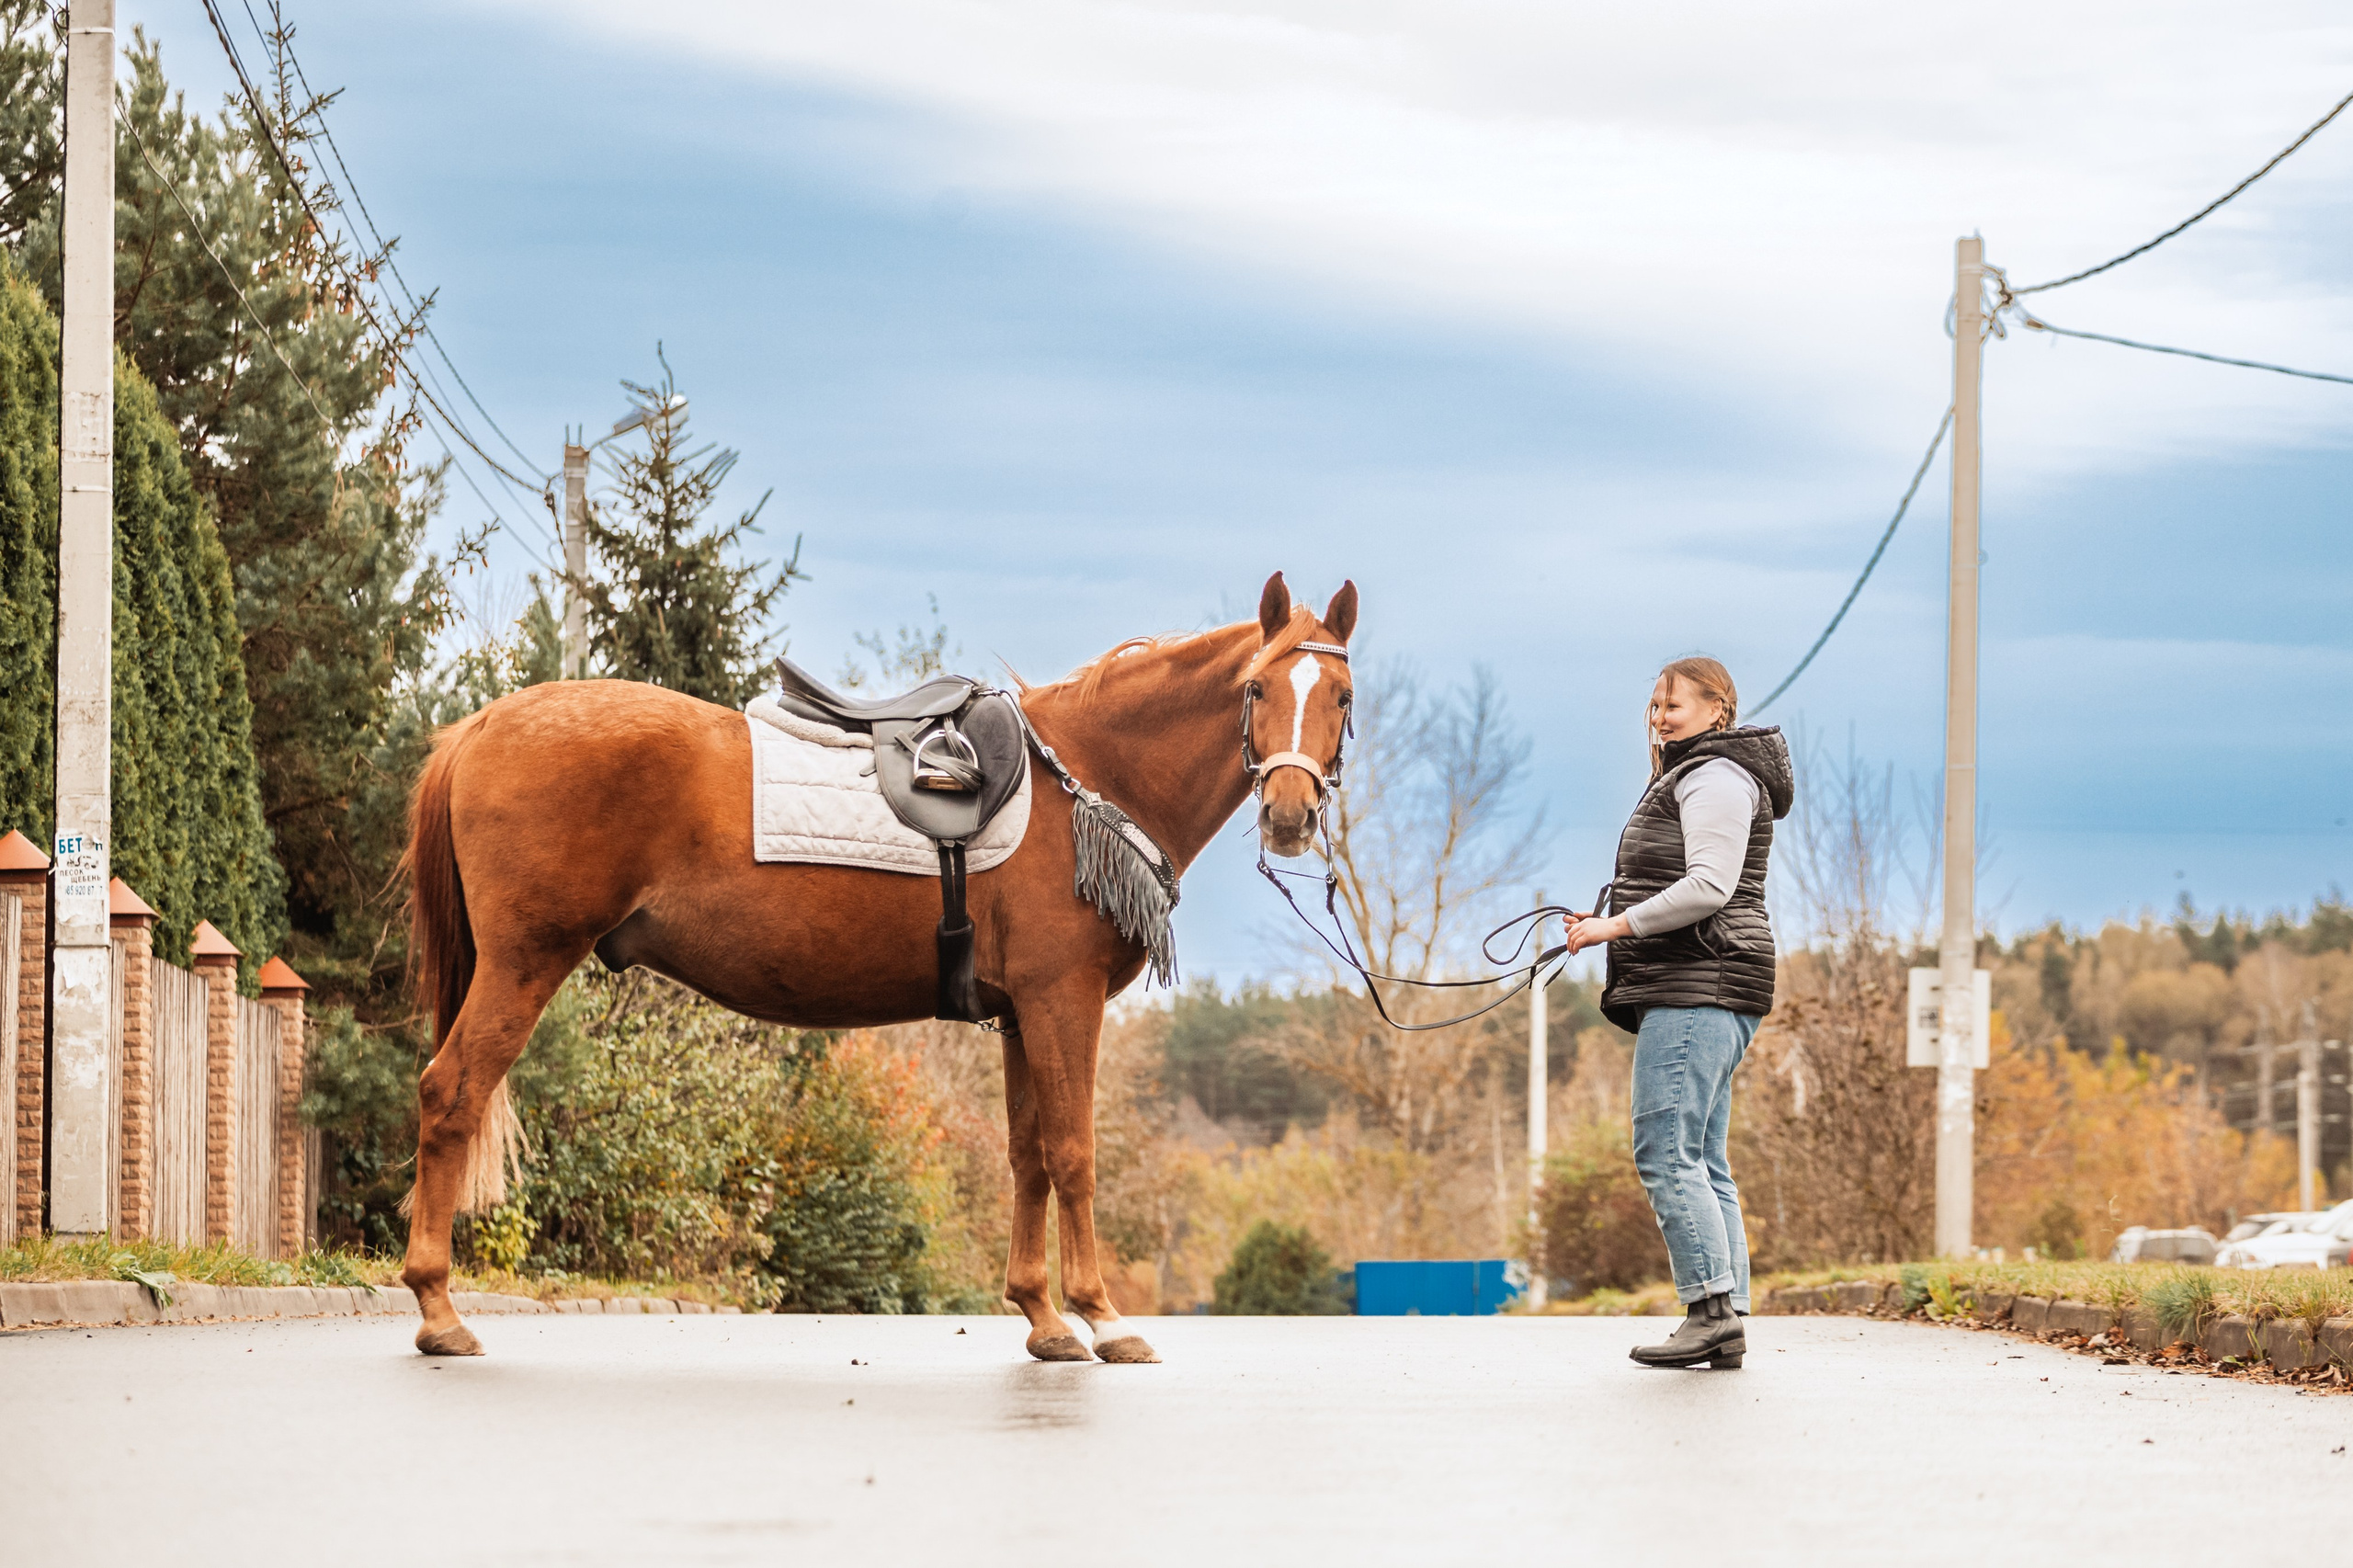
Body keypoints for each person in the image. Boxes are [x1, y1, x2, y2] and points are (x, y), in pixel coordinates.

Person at [1564, 656, 1790, 1370]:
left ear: (1718, 709)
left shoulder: (1716, 777)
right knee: (1702, 1157)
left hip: (1701, 984)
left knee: (1664, 1151)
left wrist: (1614, 927)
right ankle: (1727, 1316)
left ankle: (1710, 1311)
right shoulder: (1694, 774)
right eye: (1655, 706)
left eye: (1676, 706)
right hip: (1706, 983)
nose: (1661, 717)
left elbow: (1709, 887)